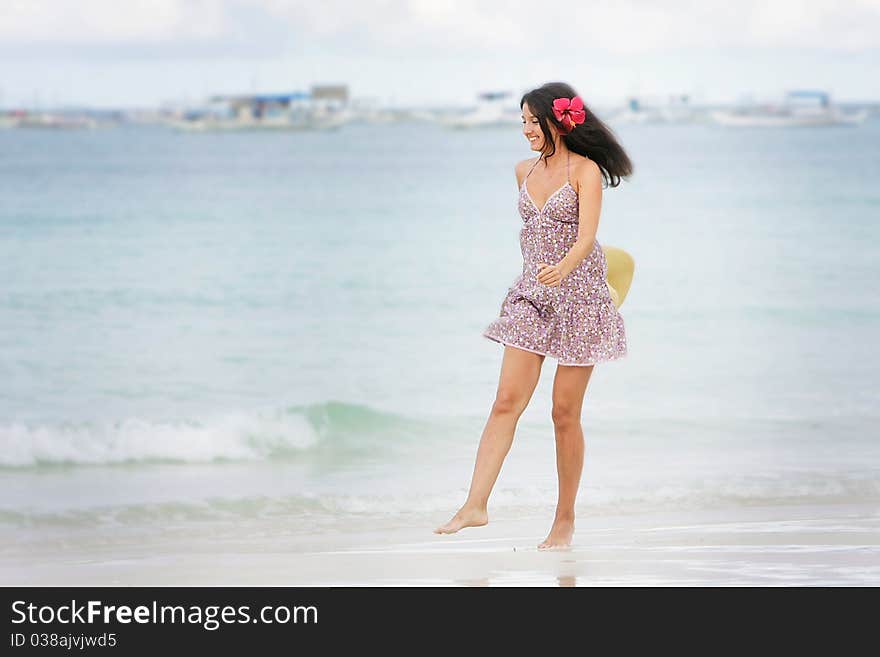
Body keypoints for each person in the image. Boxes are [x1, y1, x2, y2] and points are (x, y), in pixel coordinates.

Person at [434, 81, 634, 550]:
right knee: (506, 401)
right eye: (521, 121)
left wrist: (563, 269)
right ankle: (474, 505)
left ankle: (564, 521)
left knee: (564, 412)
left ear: (557, 121)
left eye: (531, 121)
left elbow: (587, 237)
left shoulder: (584, 170)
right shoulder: (523, 171)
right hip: (531, 298)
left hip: (580, 300)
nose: (525, 130)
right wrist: (540, 277)